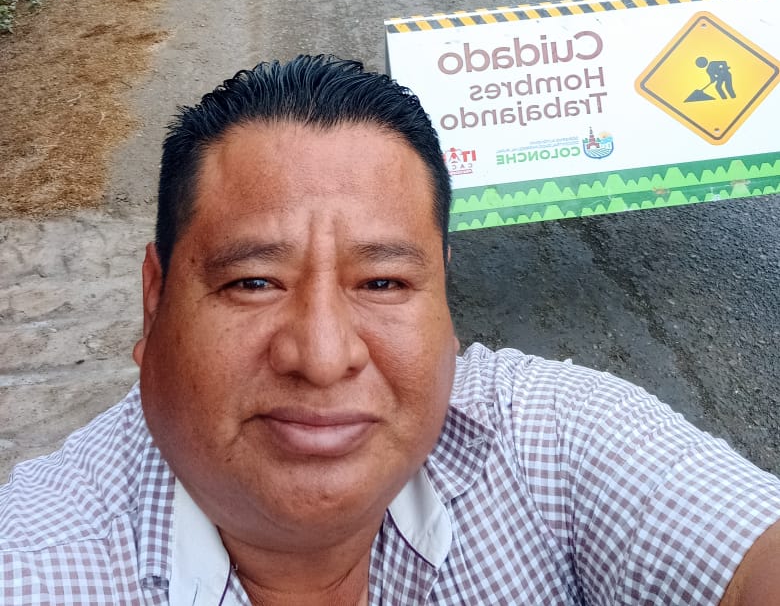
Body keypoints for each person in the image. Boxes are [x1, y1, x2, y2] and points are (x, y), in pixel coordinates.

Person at [2, 54, 780, 604]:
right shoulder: (37, 567)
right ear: (154, 300)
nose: (323, 356)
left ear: (444, 301)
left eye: (383, 283)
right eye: (253, 283)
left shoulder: (555, 442)